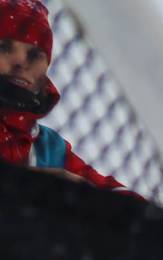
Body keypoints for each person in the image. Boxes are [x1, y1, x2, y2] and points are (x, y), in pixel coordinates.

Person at [0, 0, 125, 190]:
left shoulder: (49, 148)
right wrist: (29, 184)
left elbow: (115, 194)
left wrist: (84, 191)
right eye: (5, 48)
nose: (20, 62)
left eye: (34, 55)